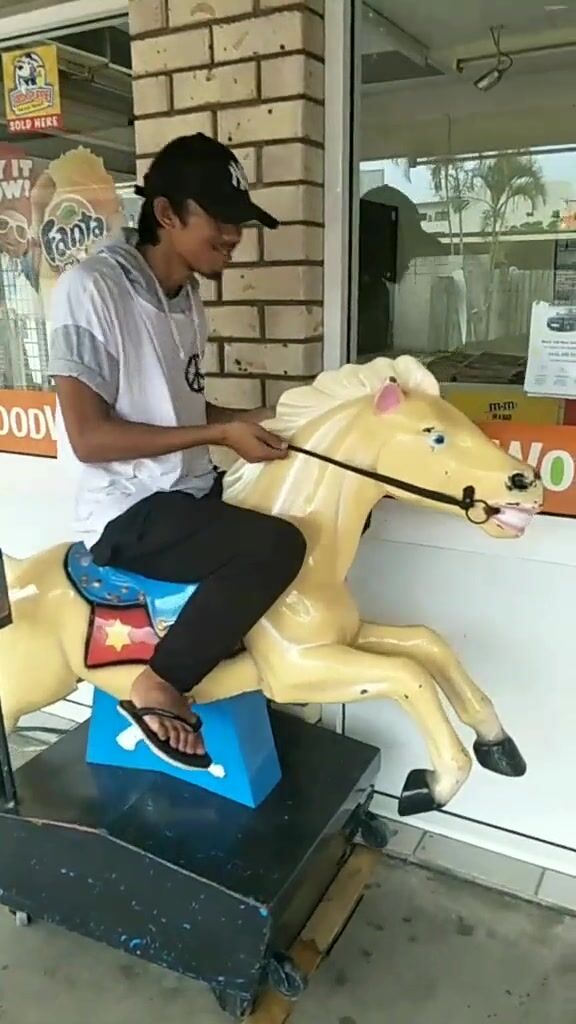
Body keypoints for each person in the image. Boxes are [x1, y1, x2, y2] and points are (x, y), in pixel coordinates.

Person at [49, 133, 306, 771]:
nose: (233, 236)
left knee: (301, 512)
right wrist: (219, 436)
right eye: (220, 219)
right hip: (128, 511)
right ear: (165, 214)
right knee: (278, 545)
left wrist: (257, 421)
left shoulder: (187, 296)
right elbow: (90, 438)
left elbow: (180, 410)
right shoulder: (91, 288)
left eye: (238, 222)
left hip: (186, 491)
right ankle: (159, 683)